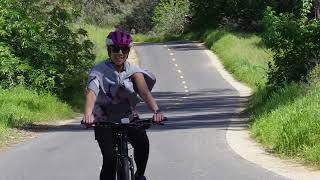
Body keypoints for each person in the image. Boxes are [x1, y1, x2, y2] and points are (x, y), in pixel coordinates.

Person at [82, 31, 166, 180]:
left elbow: (145, 93)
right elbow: (92, 92)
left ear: (128, 51)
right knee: (110, 158)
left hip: (127, 116)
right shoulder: (99, 70)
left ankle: (139, 175)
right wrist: (88, 114)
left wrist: (156, 111)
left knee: (143, 144)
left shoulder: (134, 71)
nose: (119, 53)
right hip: (103, 119)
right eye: (115, 49)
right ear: (109, 50)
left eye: (124, 49)